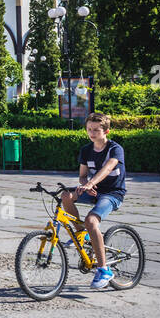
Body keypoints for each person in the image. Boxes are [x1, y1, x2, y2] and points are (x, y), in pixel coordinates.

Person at [61, 112, 126, 289]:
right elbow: (82, 176)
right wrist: (84, 184)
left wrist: (90, 183)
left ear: (106, 131)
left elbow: (107, 169)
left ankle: (104, 270)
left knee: (91, 219)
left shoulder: (115, 149)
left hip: (112, 193)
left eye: (96, 130)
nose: (92, 133)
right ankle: (83, 233)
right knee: (65, 196)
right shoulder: (86, 150)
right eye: (89, 129)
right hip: (92, 190)